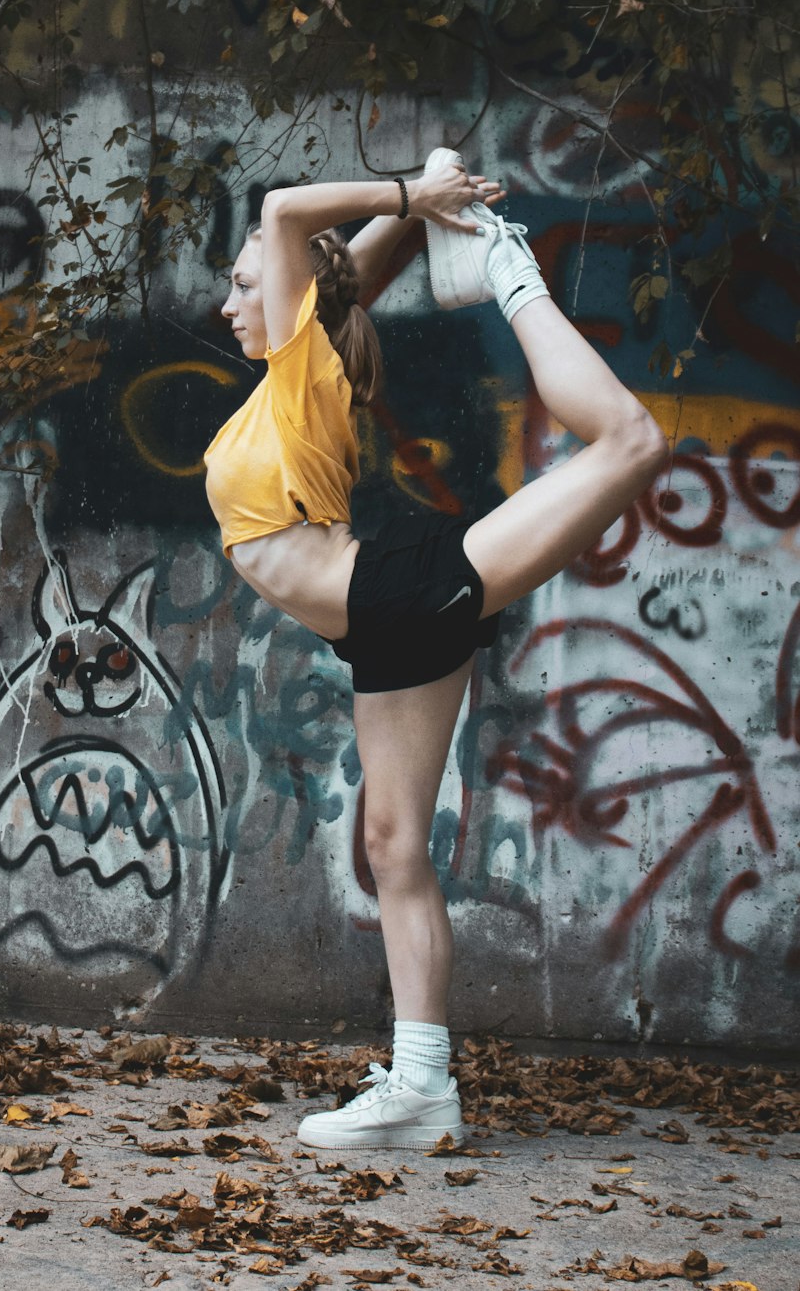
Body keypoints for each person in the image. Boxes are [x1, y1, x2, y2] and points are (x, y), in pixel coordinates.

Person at [203, 151, 668, 1151]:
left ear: (282, 288)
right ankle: (421, 1090)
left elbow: (285, 209)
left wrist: (425, 200)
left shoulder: (296, 354)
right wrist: (427, 189)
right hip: (385, 615)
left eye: (245, 283)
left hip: (400, 587)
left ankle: (508, 274)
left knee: (628, 442)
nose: (228, 303)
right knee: (393, 848)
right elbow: (343, 269)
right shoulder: (308, 354)